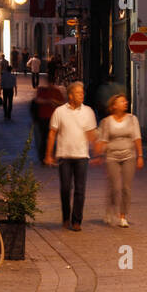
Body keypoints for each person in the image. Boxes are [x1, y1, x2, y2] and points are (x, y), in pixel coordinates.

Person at [45, 81, 97, 231]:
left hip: (81, 155)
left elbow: (91, 134)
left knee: (80, 190)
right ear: (70, 95)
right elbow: (52, 133)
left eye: (83, 92)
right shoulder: (60, 112)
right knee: (65, 188)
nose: (82, 95)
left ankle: (77, 221)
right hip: (64, 155)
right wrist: (49, 154)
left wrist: (97, 151)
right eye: (79, 93)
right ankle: (66, 217)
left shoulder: (88, 111)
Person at [95, 93, 142, 228]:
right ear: (114, 106)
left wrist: (140, 156)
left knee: (126, 187)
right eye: (122, 101)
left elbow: (137, 137)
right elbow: (103, 140)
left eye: (125, 101)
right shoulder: (107, 121)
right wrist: (98, 156)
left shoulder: (133, 119)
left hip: (129, 155)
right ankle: (110, 209)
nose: (125, 103)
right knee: (115, 187)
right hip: (112, 156)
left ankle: (122, 216)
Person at [32, 70, 66, 163]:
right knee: (47, 138)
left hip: (48, 118)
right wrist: (50, 101)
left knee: (46, 138)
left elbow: (62, 103)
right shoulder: (45, 90)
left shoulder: (53, 91)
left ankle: (46, 156)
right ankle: (47, 156)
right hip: (46, 118)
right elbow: (38, 100)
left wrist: (53, 102)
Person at [0, 55, 17, 119]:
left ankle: (5, 113)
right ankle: (9, 114)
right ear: (11, 70)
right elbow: (15, 84)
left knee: (5, 102)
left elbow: (1, 84)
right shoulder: (13, 76)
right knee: (10, 102)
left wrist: (0, 90)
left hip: (5, 90)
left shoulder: (3, 76)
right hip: (11, 90)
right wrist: (16, 91)